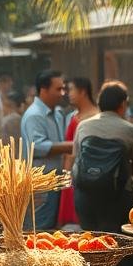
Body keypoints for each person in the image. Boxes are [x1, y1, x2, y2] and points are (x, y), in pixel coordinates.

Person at [73, 80, 133, 266]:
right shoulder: (130, 129)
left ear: (99, 103)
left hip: (85, 195)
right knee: (123, 234)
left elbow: (76, 160)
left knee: (91, 235)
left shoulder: (83, 126)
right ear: (123, 104)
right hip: (117, 198)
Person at [21, 70, 71, 229]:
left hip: (56, 180)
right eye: (58, 89)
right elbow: (38, 147)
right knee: (40, 228)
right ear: (44, 89)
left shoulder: (57, 113)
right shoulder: (34, 115)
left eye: (63, 89)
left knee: (52, 228)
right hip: (41, 182)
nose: (62, 93)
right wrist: (71, 145)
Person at [58, 77, 98, 228]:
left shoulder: (96, 116)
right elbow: (70, 153)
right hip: (71, 171)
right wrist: (66, 174)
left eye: (71, 89)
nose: (69, 94)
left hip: (89, 173)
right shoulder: (72, 116)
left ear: (83, 91)